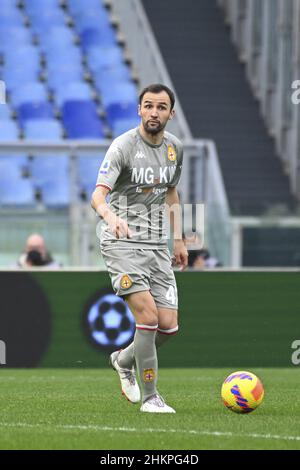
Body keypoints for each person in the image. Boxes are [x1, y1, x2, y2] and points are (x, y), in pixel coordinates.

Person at [91, 83, 188, 413]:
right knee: (146, 316)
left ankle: (122, 359)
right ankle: (151, 397)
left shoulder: (175, 148)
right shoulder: (122, 147)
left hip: (157, 245)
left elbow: (171, 193)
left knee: (168, 326)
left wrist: (180, 238)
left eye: (161, 107)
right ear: (139, 110)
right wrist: (110, 217)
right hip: (122, 242)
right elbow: (97, 195)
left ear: (170, 114)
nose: (154, 112)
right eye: (148, 106)